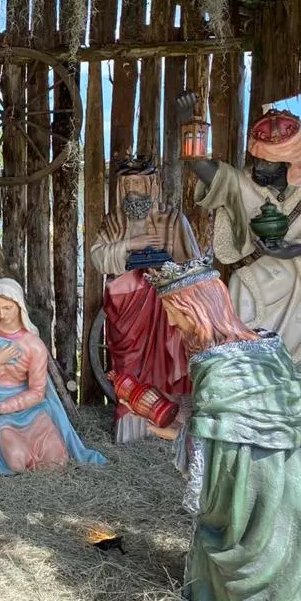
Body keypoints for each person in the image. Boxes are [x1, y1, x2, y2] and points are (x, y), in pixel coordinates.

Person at [145, 254, 301, 601]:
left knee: (240, 551)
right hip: (297, 489)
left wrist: (176, 435)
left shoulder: (218, 367)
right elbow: (250, 419)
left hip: (260, 492)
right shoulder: (266, 349)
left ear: (197, 310)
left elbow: (224, 451)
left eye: (173, 311)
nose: (169, 321)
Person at [188, 104, 301, 408]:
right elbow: (208, 172)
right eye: (257, 158)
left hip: (298, 296)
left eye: (267, 162)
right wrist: (189, 128)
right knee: (245, 372)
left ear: (288, 162)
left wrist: (297, 248)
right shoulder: (243, 184)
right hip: (248, 290)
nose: (258, 167)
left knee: (297, 378)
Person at [90, 158, 201, 442]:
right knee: (128, 364)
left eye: (138, 182)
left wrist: (165, 271)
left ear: (152, 185)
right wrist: (131, 246)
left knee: (174, 353)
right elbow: (98, 256)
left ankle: (175, 422)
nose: (132, 189)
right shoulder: (114, 221)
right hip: (128, 306)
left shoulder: (173, 219)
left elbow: (192, 261)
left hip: (167, 303)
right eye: (127, 184)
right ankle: (132, 424)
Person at [0, 278, 107, 473]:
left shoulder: (34, 345)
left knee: (57, 461)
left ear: (19, 306)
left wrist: (5, 407)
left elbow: (37, 392)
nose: (2, 314)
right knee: (16, 460)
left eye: (7, 308)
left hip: (29, 410)